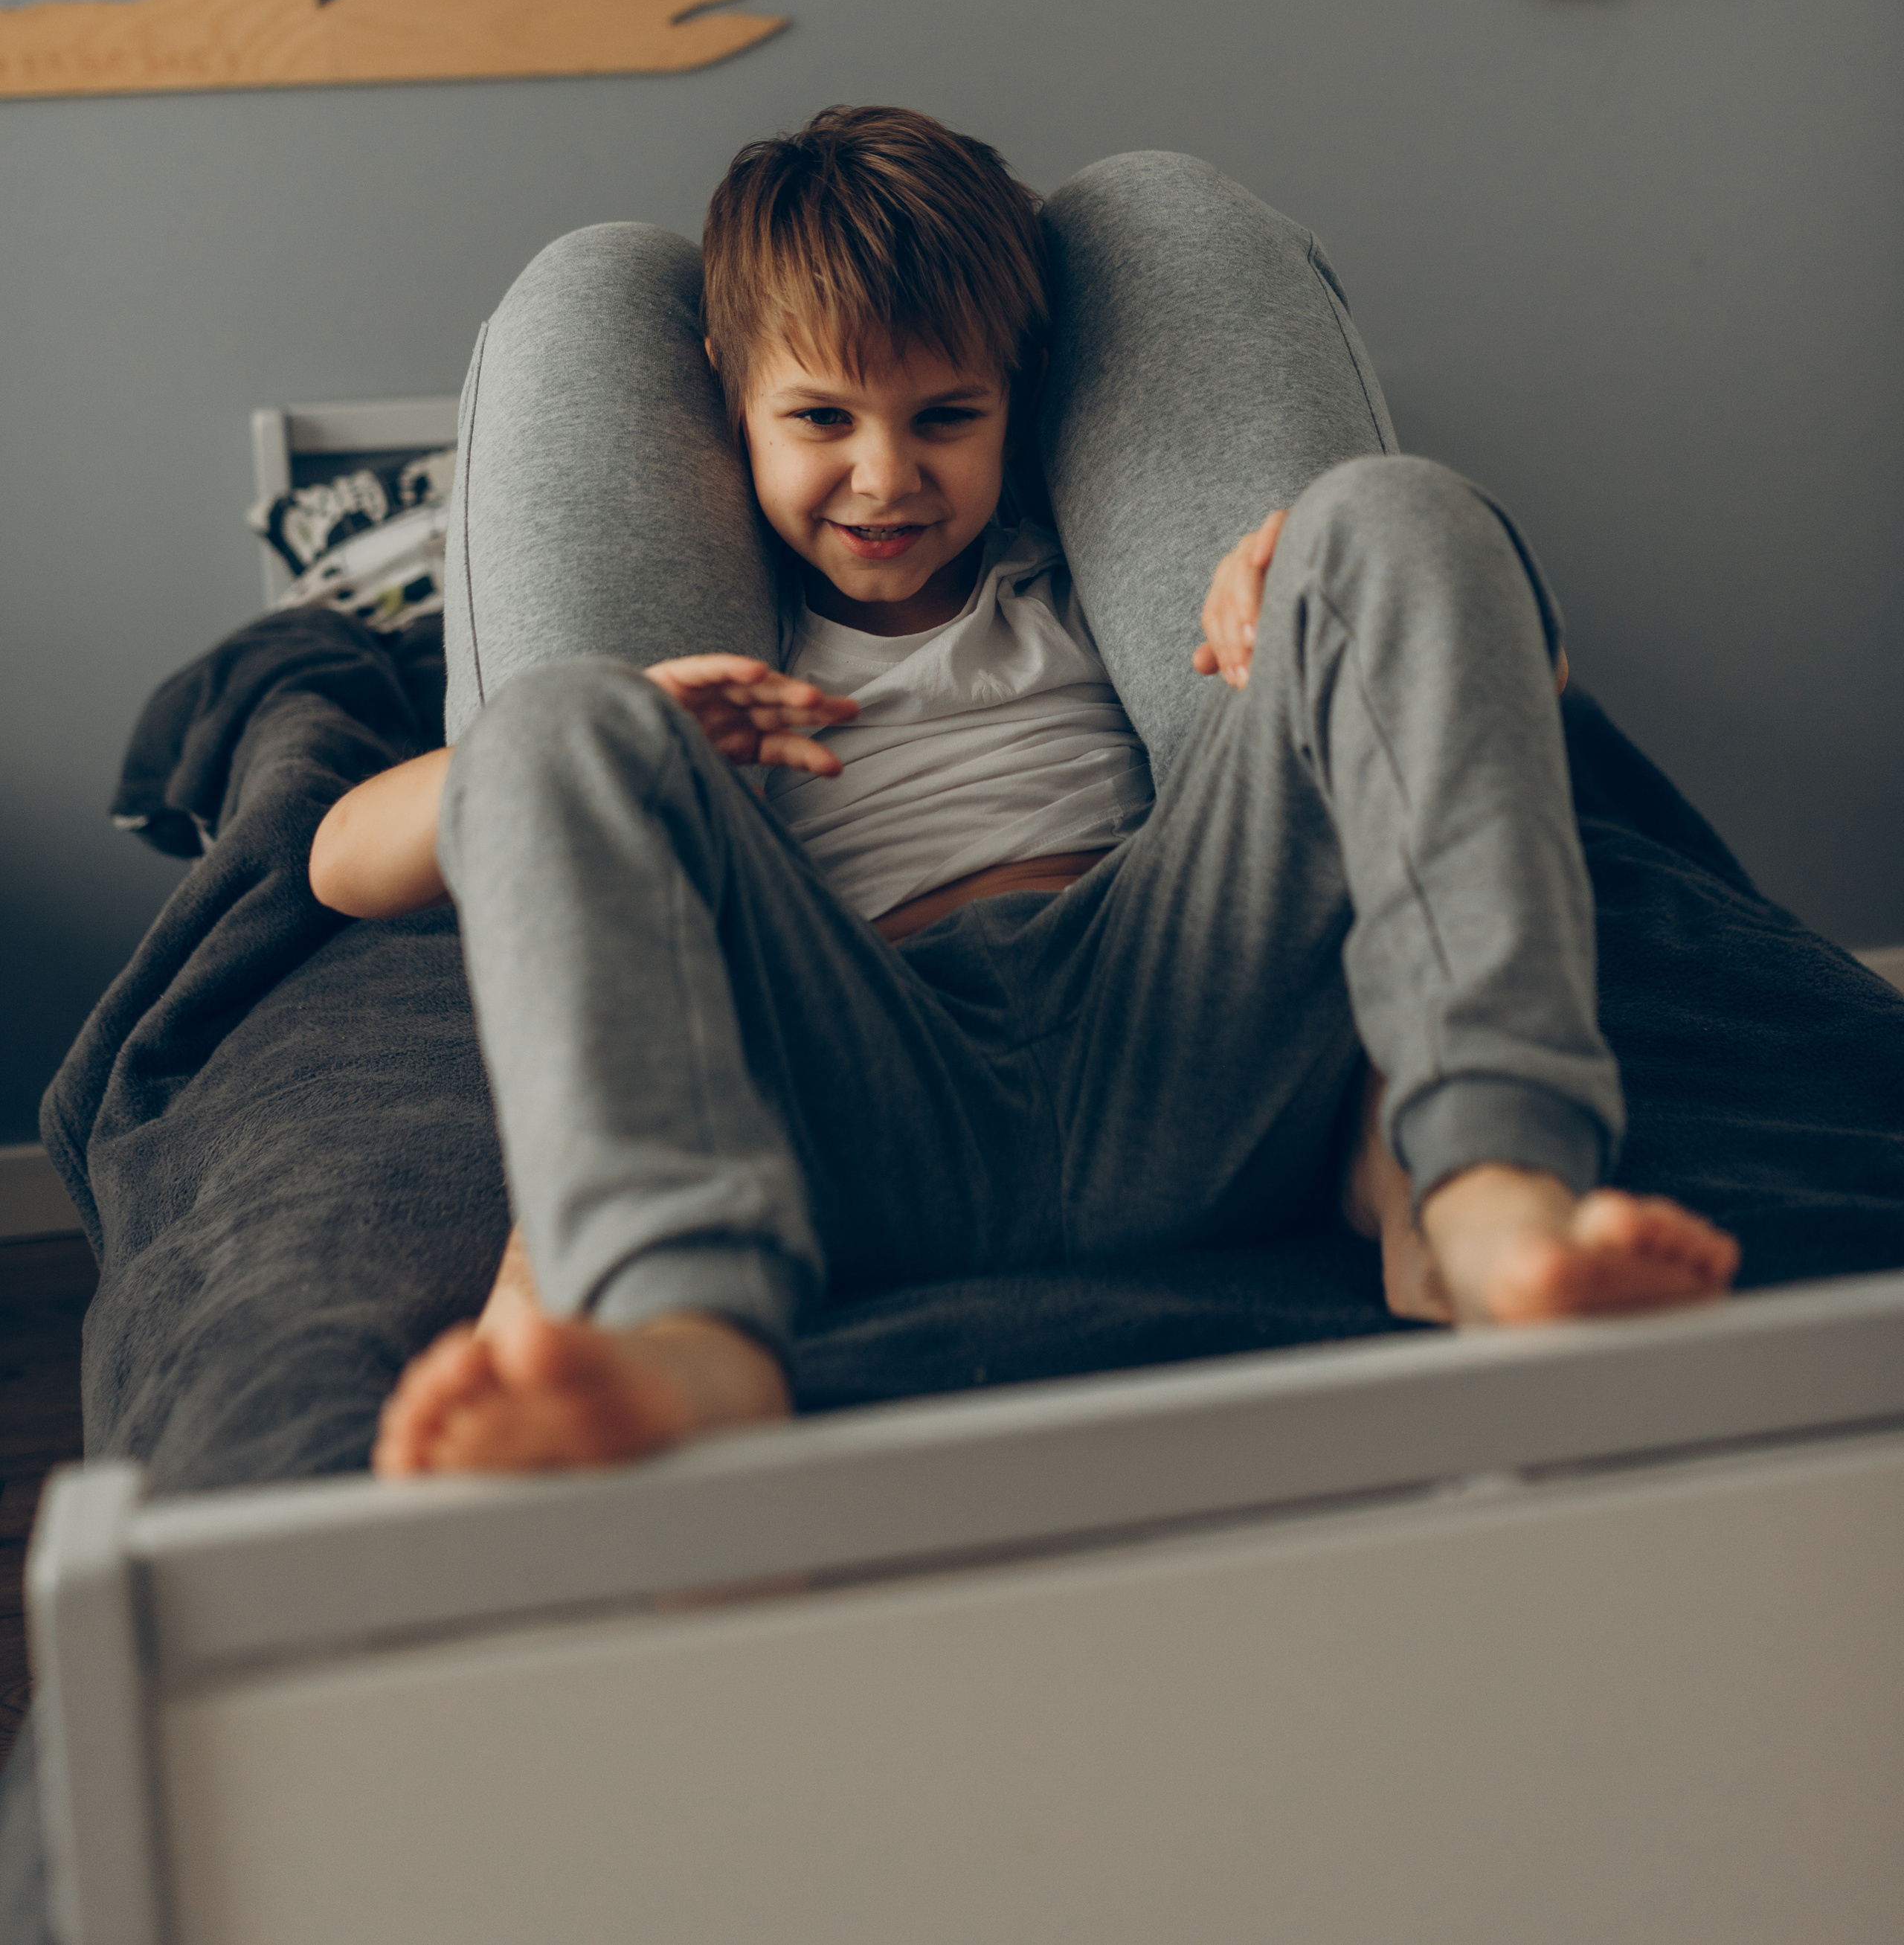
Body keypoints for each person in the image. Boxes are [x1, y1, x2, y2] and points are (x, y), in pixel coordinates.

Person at [309, 110, 1737, 1476]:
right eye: (820, 419)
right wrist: (622, 729)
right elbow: (338, 864)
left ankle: (1492, 1203)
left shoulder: (1080, 590)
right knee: (558, 711)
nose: (884, 477)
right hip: (872, 1084)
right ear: (727, 395)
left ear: (1021, 400)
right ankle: (689, 1337)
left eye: (946, 416)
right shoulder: (741, 659)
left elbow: (1513, 695)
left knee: (1401, 511)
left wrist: (1308, 584)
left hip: (1180, 1029)